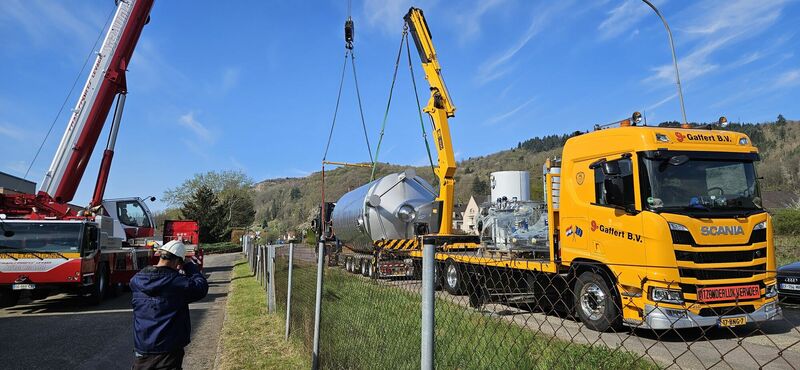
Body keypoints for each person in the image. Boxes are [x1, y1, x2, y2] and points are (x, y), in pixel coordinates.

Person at [130, 240, 208, 370]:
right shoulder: (176, 283)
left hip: (142, 348)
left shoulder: (137, 280)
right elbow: (201, 287)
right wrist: (189, 266)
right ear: (178, 262)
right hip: (168, 350)